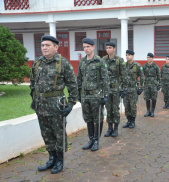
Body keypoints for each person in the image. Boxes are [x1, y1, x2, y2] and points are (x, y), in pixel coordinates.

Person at [30, 35, 78, 174]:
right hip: (40, 106)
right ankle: (51, 158)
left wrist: (70, 104)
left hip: (56, 106)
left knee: (59, 134)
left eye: (48, 45)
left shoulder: (63, 63)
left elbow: (72, 86)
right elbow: (33, 83)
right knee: (46, 134)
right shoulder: (38, 62)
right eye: (43, 45)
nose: (44, 48)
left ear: (56, 47)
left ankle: (60, 160)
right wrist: (35, 100)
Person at [77, 38, 109, 151]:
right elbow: (79, 78)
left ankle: (96, 140)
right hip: (85, 96)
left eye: (88, 47)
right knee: (88, 118)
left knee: (98, 118)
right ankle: (90, 139)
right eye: (84, 47)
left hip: (96, 96)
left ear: (93, 47)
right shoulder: (82, 61)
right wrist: (78, 92)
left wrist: (105, 95)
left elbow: (105, 78)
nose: (86, 49)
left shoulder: (99, 61)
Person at [103, 42, 128, 138]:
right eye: (107, 48)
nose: (108, 49)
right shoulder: (103, 60)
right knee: (108, 109)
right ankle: (109, 128)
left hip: (116, 89)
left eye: (110, 48)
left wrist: (124, 88)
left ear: (114, 49)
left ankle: (116, 128)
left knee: (115, 109)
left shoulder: (119, 60)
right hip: (106, 89)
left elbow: (124, 75)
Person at [122, 49, 144, 128]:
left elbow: (142, 77)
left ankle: (133, 121)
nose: (127, 56)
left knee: (132, 106)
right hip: (125, 90)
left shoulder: (137, 66)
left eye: (129, 55)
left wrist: (141, 88)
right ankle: (128, 120)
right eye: (126, 55)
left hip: (133, 89)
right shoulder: (123, 65)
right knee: (126, 106)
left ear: (133, 56)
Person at [143, 53, 160, 117]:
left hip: (153, 84)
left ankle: (152, 111)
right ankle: (148, 111)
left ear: (152, 58)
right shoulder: (144, 66)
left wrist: (159, 84)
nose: (148, 59)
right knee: (147, 97)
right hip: (147, 84)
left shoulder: (155, 66)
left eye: (150, 57)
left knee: (153, 97)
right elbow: (142, 75)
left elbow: (159, 75)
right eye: (147, 57)